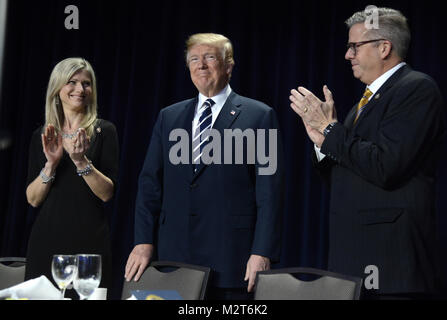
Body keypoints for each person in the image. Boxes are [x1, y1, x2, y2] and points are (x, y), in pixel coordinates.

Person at [289, 7, 445, 299]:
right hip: (353, 259)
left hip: (391, 265)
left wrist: (330, 131)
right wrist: (321, 139)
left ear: (384, 47)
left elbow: (385, 166)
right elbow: (347, 174)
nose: (348, 55)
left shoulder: (416, 89)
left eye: (354, 46)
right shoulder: (364, 102)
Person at [125, 33, 283, 300]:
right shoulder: (169, 117)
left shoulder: (260, 116)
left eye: (210, 57)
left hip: (232, 258)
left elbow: (270, 193)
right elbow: (149, 184)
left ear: (229, 67)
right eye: (194, 59)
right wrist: (143, 241)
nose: (201, 65)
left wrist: (262, 251)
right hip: (173, 256)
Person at [25, 58, 119, 296]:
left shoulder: (103, 131)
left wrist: (81, 161)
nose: (80, 90)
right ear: (58, 88)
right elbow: (33, 199)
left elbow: (107, 193)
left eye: (86, 84)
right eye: (72, 82)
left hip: (89, 245)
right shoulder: (42, 135)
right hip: (46, 243)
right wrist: (51, 164)